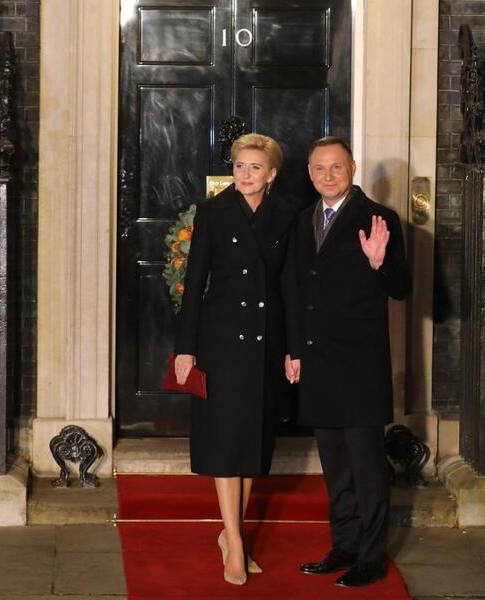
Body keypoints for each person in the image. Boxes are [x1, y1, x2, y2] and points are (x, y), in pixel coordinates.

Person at [283, 136, 411, 588]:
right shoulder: (302, 222)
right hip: (317, 361)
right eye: (319, 169)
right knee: (335, 465)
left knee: (366, 466)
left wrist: (379, 263)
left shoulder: (380, 218)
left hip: (359, 365)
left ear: (352, 168)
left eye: (336, 167)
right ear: (310, 173)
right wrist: (294, 350)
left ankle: (372, 557)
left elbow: (401, 288)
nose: (327, 176)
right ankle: (345, 545)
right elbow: (295, 292)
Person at [173, 133, 296, 586]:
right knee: (225, 441)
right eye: (239, 166)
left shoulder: (287, 216)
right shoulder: (213, 212)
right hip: (220, 342)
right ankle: (236, 541)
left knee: (251, 442)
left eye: (254, 168)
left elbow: (290, 288)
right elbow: (195, 281)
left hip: (265, 342)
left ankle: (232, 535)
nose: (245, 175)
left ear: (272, 174)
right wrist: (185, 347)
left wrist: (293, 349)